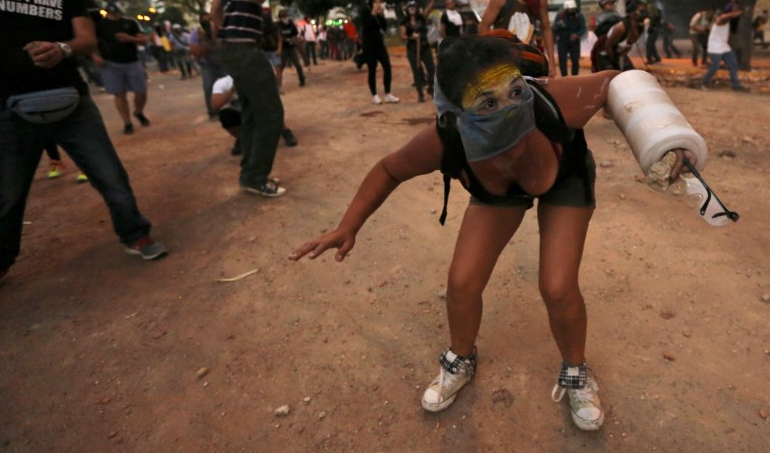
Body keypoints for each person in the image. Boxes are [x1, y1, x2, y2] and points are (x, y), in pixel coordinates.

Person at [290, 34, 696, 431]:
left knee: (557, 286)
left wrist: (661, 137)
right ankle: (461, 358)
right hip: (495, 193)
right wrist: (348, 225)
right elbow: (389, 169)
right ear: (459, 118)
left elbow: (619, 81)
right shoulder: (443, 139)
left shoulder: (557, 102)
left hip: (564, 177)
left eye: (515, 94)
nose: (507, 107)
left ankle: (575, 369)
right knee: (462, 282)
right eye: (487, 104)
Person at [0, 0, 168, 289]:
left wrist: (62, 50)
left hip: (68, 98)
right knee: (5, 195)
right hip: (7, 106)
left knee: (109, 174)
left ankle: (136, 233)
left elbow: (85, 38)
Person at [211, 0, 286, 198]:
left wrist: (222, 34)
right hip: (243, 47)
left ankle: (250, 174)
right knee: (272, 114)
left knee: (254, 114)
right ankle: (256, 176)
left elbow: (215, 9)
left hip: (238, 46)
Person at [93, 2, 151, 135]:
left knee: (141, 91)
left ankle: (138, 111)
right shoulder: (100, 25)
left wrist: (129, 38)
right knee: (119, 94)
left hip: (132, 61)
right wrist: (94, 56)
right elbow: (93, 42)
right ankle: (127, 122)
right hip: (110, 63)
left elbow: (143, 40)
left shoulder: (131, 22)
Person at [210, 75, 297, 156]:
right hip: (240, 111)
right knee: (226, 116)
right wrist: (232, 89)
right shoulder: (222, 83)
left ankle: (285, 131)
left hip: (258, 108)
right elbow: (215, 105)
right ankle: (241, 139)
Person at [591, 0, 648, 72]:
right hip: (605, 53)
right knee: (610, 77)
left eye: (644, 11)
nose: (644, 13)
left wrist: (621, 57)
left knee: (631, 74)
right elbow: (608, 46)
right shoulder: (621, 28)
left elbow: (628, 46)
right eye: (641, 11)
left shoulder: (640, 28)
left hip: (619, 54)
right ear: (631, 14)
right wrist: (615, 63)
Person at [359, 0, 396, 104]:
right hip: (369, 45)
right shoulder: (365, 10)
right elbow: (366, 26)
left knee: (387, 67)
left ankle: (388, 93)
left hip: (379, 44)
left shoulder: (380, 11)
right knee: (372, 69)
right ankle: (374, 95)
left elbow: (384, 27)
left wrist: (381, 14)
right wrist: (374, 13)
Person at [699, 6, 746, 91]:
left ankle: (736, 85)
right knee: (715, 66)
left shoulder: (726, 23)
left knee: (733, 64)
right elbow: (726, 16)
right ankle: (703, 83)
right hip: (715, 47)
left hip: (724, 46)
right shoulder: (720, 21)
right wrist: (741, 12)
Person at [189, 11, 224, 119]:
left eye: (209, 21)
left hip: (223, 62)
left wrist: (215, 37)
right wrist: (204, 41)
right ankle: (212, 112)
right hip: (207, 64)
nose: (207, 24)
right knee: (208, 87)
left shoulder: (219, 29)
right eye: (204, 22)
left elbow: (225, 48)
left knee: (229, 86)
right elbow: (197, 55)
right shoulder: (196, 34)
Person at [400, 0, 435, 103]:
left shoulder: (422, 18)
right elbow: (402, 36)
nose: (412, 9)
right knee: (417, 71)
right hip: (412, 50)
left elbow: (429, 10)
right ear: (407, 9)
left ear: (416, 8)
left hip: (424, 47)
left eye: (414, 7)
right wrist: (411, 37)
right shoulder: (404, 21)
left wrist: (434, 0)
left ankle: (431, 88)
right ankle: (420, 93)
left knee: (432, 69)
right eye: (410, 7)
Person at [553, 0, 586, 76]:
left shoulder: (579, 16)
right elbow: (554, 28)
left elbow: (583, 28)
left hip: (574, 42)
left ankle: (575, 77)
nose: (571, 11)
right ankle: (564, 77)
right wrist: (559, 25)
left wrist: (577, 35)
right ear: (565, 10)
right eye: (569, 10)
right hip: (562, 41)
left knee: (575, 60)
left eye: (573, 9)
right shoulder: (560, 16)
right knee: (562, 59)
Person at [277, 8, 306, 87]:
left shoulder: (291, 24)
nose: (285, 18)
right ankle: (278, 84)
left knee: (297, 64)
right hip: (283, 48)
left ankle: (302, 79)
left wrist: (294, 39)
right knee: (281, 66)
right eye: (283, 16)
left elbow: (295, 34)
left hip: (291, 47)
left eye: (286, 16)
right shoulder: (278, 25)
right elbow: (277, 36)